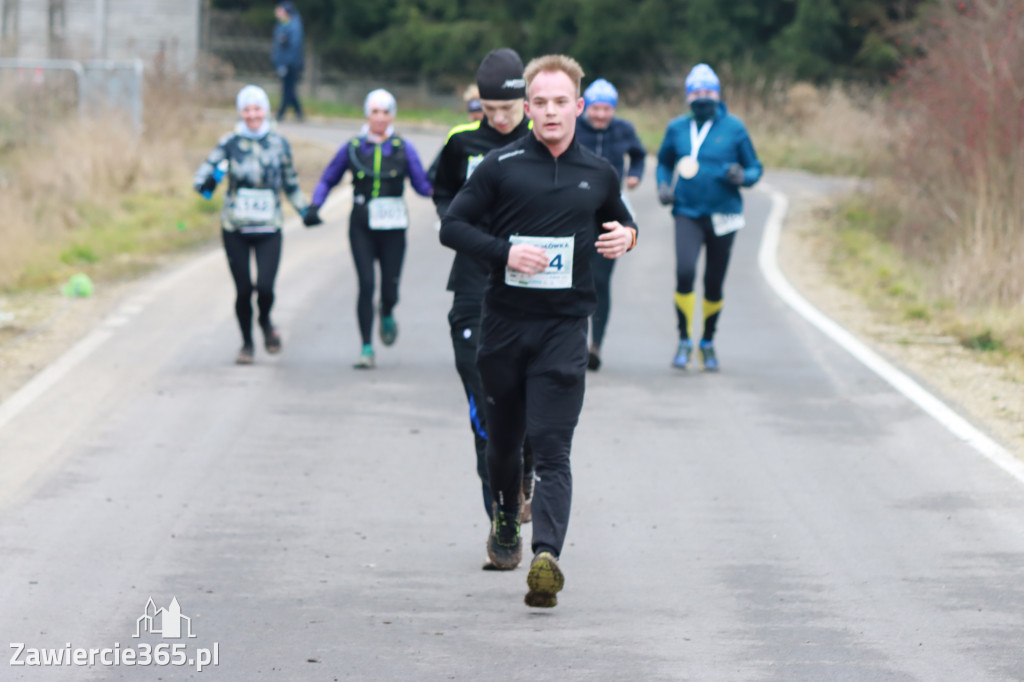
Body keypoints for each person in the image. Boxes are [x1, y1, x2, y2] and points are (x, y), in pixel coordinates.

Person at [440, 54, 638, 608]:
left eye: (560, 102)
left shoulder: (597, 173)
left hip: (565, 330)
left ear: (578, 106)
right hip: (504, 330)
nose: (551, 112)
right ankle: (506, 517)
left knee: (553, 448)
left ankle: (546, 557)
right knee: (504, 447)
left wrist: (629, 238)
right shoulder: (500, 167)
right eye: (541, 103)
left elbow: (622, 220)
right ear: (527, 109)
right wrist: (506, 253)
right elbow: (452, 227)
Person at [431, 48, 535, 551]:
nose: (497, 120)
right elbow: (443, 194)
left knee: (530, 408)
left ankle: (527, 466)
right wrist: (463, 224)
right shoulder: (460, 143)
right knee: (486, 411)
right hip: (472, 286)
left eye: (507, 110)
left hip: (532, 292)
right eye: (489, 110)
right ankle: (502, 518)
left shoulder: (542, 143)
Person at [304, 89, 432, 369]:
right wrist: (315, 206)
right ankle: (366, 348)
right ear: (367, 114)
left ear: (393, 116)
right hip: (361, 224)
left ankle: (387, 310)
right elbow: (328, 178)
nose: (380, 118)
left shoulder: (403, 147)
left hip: (394, 227)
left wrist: (452, 190)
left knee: (390, 289)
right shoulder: (353, 147)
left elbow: (423, 186)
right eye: (375, 112)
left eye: (386, 112)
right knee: (366, 285)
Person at [655, 63, 762, 371]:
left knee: (713, 283)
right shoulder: (677, 127)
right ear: (688, 96)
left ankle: (708, 341)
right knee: (685, 273)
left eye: (708, 92)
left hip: (724, 215)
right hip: (686, 213)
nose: (703, 97)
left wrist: (743, 175)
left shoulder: (734, 128)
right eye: (697, 92)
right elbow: (663, 162)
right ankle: (684, 339)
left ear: (718, 94)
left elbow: (755, 168)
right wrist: (662, 184)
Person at [193, 85, 308, 365]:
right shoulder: (229, 144)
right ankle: (246, 344)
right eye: (247, 109)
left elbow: (290, 182)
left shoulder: (279, 144)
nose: (252, 114)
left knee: (265, 288)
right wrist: (210, 181)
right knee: (244, 290)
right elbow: (203, 182)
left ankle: (266, 322)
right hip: (236, 228)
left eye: (257, 108)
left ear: (266, 111)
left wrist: (306, 211)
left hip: (270, 227)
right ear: (240, 112)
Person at [574, 78, 646, 371]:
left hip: (612, 212)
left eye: (607, 110)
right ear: (586, 107)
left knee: (600, 282)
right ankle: (574, 342)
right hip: (576, 211)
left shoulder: (624, 129)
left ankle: (596, 345)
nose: (601, 115)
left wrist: (636, 174)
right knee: (575, 279)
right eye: (596, 109)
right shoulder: (573, 127)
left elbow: (639, 154)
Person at [272, 1, 304, 122]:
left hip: (291, 63)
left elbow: (294, 46)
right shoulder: (281, 24)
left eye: (279, 10)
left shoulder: (293, 25)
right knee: (289, 89)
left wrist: (285, 63)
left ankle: (281, 113)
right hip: (284, 62)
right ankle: (298, 112)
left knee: (287, 88)